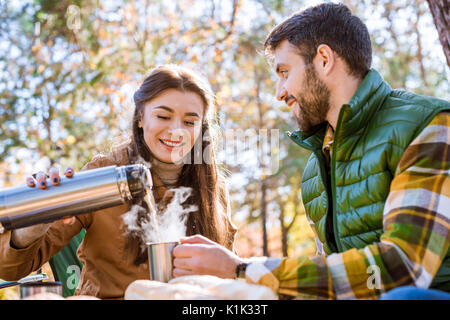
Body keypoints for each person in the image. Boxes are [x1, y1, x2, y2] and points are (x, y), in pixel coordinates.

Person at [172, 3, 450, 300]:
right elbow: (330, 279)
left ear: (324, 60)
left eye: (284, 71)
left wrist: (241, 269)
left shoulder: (429, 126)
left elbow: (402, 269)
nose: (279, 92)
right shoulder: (314, 172)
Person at [0, 64, 237, 299]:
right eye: (163, 116)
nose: (176, 131)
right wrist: (32, 225)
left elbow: (228, 277)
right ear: (140, 118)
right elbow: (12, 269)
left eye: (189, 122)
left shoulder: (212, 189)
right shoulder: (104, 175)